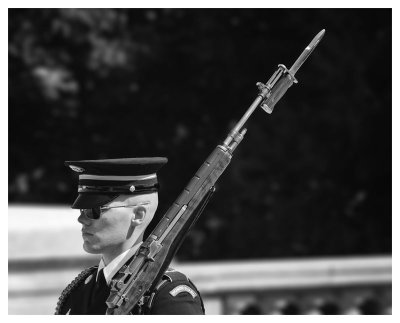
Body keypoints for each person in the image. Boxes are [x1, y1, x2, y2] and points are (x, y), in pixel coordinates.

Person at [55, 157, 205, 315]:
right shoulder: (80, 289)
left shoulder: (167, 295)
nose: (82, 219)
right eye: (82, 210)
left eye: (94, 210)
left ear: (138, 215)